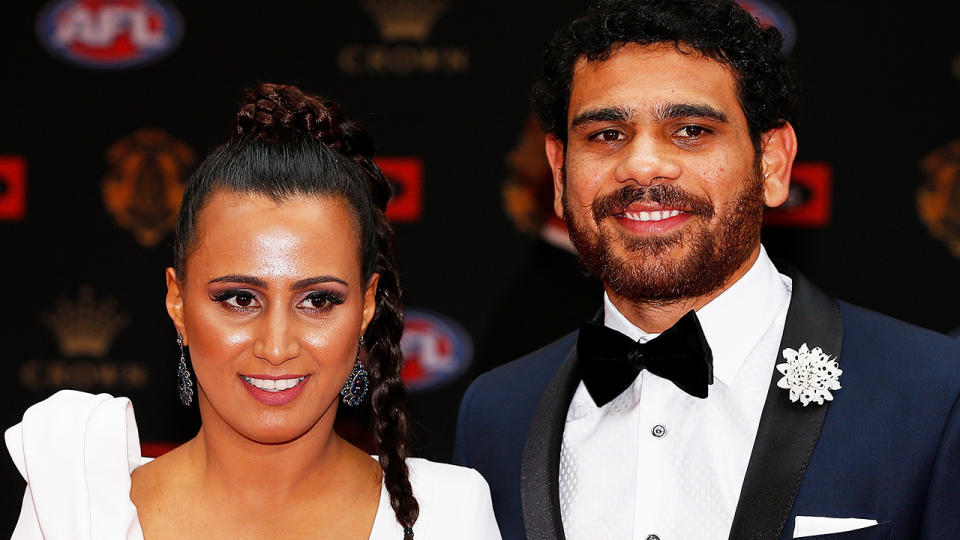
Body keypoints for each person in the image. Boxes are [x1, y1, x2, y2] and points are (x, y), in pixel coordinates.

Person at [453, 1, 960, 539]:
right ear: (559, 172)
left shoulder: (933, 394)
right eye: (606, 134)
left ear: (772, 164)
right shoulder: (496, 413)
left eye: (691, 130)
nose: (642, 165)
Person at [7, 83, 501, 539]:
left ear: (367, 307)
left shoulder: (449, 512)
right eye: (240, 299)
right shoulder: (77, 509)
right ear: (177, 302)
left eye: (318, 300)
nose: (277, 346)